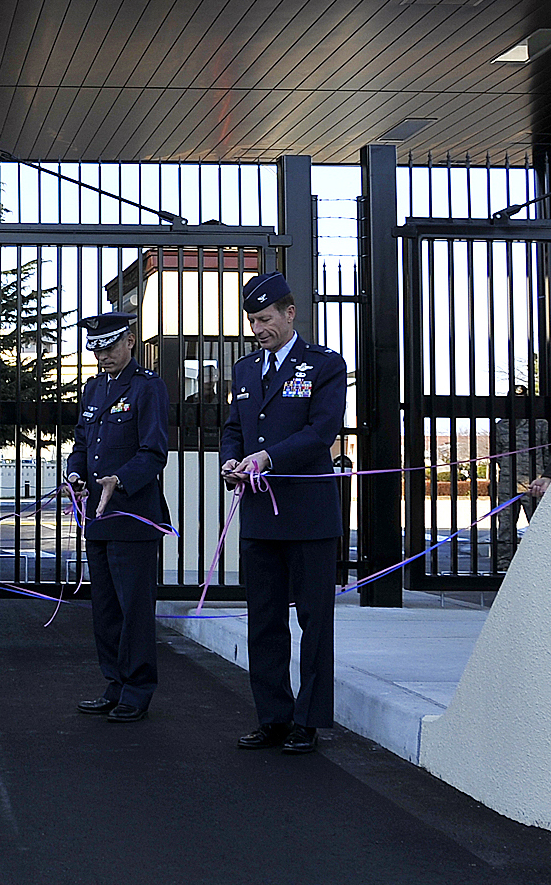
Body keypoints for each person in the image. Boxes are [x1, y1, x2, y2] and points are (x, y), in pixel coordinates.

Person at [221, 272, 347, 755]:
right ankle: (272, 716)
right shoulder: (247, 369)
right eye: (253, 321)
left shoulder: (323, 365)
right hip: (258, 514)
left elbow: (321, 432)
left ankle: (308, 721)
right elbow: (234, 427)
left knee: (314, 622)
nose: (258, 329)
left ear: (290, 314)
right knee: (264, 619)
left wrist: (268, 458)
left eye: (266, 319)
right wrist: (233, 460)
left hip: (308, 515)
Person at [66, 311, 170, 723]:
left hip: (133, 517)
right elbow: (80, 442)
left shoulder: (148, 387)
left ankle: (137, 688)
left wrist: (119, 481)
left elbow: (153, 451)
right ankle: (114, 683)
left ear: (130, 341)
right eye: (95, 349)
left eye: (109, 347)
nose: (102, 356)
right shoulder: (93, 389)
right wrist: (74, 472)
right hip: (99, 518)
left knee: (135, 610)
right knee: (106, 609)